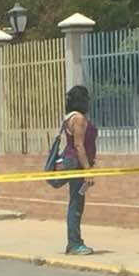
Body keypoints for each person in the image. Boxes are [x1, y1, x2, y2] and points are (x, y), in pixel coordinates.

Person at [59, 85, 97, 256]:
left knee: (76, 202)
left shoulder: (70, 117)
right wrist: (87, 169)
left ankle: (74, 242)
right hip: (77, 164)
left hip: (75, 162)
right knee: (76, 204)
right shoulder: (79, 119)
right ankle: (74, 243)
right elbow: (79, 145)